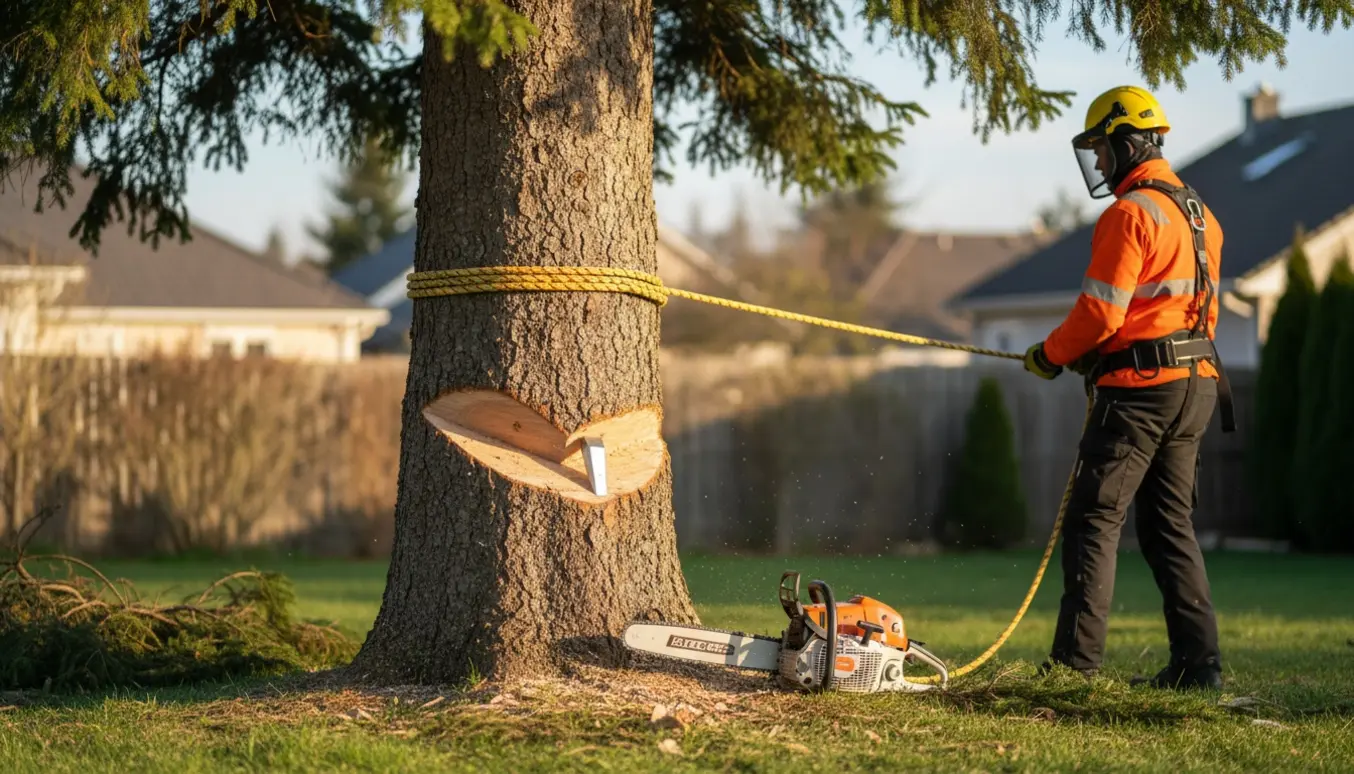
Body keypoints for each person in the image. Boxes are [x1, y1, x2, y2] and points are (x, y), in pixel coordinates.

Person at [1022, 85, 1237, 691]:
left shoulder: (1130, 213)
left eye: (1100, 149)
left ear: (1129, 141)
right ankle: (1200, 669)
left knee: (1094, 521)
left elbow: (1099, 315)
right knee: (1170, 528)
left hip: (1140, 391)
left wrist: (1049, 355)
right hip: (1195, 387)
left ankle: (1074, 669)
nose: (1097, 162)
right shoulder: (1199, 213)